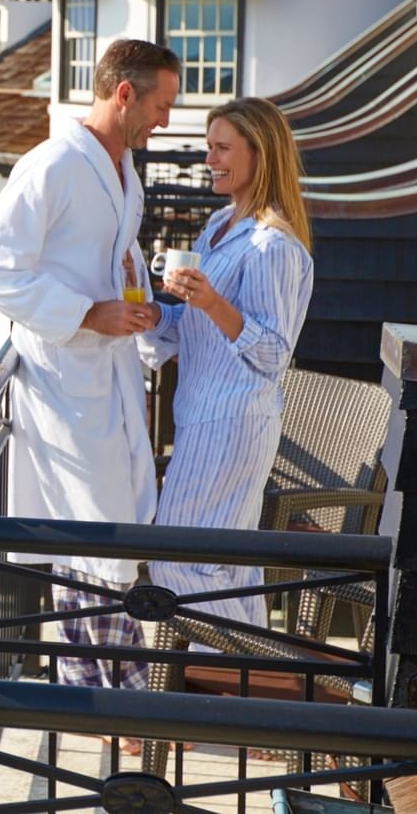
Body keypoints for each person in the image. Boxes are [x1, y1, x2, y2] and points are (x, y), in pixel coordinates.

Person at [0, 38, 180, 689]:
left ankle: (93, 694)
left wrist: (135, 293)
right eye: (162, 105)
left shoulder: (123, 171)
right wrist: (89, 314)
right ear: (125, 94)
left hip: (108, 374)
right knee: (98, 541)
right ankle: (120, 703)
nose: (166, 120)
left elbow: (115, 255)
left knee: (98, 539)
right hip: (64, 381)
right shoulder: (53, 165)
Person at [141, 96, 315, 629]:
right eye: (208, 147)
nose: (209, 160)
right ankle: (251, 673)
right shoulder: (220, 223)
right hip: (202, 415)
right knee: (226, 565)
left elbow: (273, 353)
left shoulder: (271, 246)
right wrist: (148, 312)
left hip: (232, 421)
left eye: (222, 148)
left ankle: (230, 665)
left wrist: (211, 300)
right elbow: (195, 329)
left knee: (177, 561)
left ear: (260, 154)